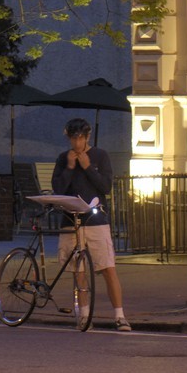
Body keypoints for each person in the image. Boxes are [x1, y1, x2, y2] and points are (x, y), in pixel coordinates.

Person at [51, 117, 131, 331]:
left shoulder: (100, 155)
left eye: (80, 138)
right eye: (73, 138)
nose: (76, 143)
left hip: (96, 221)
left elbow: (105, 187)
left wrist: (88, 168)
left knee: (107, 267)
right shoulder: (62, 158)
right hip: (70, 221)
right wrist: (69, 167)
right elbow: (58, 189)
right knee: (79, 270)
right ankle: (84, 315)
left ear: (87, 137)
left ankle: (120, 316)